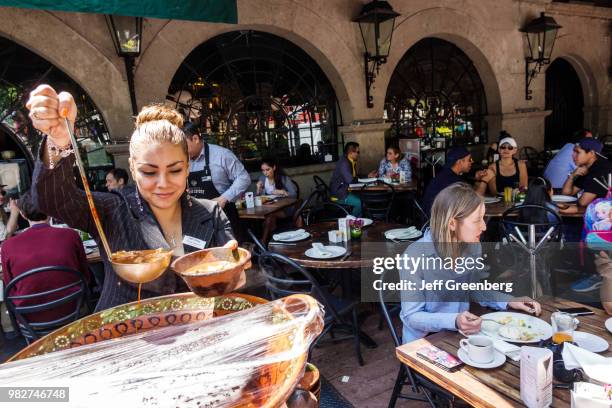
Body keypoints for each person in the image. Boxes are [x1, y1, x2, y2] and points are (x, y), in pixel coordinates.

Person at [26, 84, 237, 311]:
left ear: (187, 168)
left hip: (196, 330)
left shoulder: (210, 213)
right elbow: (51, 198)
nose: (163, 183)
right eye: (149, 172)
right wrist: (58, 141)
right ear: (133, 168)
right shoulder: (113, 209)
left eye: (175, 170)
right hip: (125, 334)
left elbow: (230, 286)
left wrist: (233, 274)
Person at [400, 183, 542, 343]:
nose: (484, 226)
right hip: (424, 340)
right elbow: (412, 316)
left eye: (483, 218)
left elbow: (471, 288)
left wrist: (509, 300)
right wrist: (454, 320)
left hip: (460, 334)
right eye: (477, 220)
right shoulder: (415, 255)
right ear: (452, 223)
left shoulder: (473, 248)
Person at [1, 192, 91, 323]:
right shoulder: (71, 235)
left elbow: (11, 287)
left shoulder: (8, 246)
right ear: (50, 210)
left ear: (22, 214)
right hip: (74, 310)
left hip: (32, 320)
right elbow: (85, 276)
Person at [183, 121, 251, 235]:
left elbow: (244, 178)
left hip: (223, 218)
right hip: (197, 221)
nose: (182, 150)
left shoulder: (222, 155)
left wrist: (223, 198)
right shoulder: (183, 160)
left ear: (195, 139)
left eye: (184, 146)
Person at [421, 146, 493, 216]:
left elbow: (471, 193)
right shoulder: (453, 180)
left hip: (435, 218)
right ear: (459, 162)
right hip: (437, 223)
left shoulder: (447, 173)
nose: (472, 161)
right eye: (469, 159)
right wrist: (485, 181)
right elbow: (475, 200)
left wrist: (479, 179)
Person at [560, 137, 612, 214]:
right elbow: (566, 194)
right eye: (573, 151)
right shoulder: (587, 167)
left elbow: (583, 203)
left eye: (577, 152)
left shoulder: (600, 169)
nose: (573, 155)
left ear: (591, 153)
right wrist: (572, 176)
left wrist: (573, 208)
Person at [256, 158, 299, 242]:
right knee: (266, 218)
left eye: (268, 170)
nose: (265, 173)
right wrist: (258, 189)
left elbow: (294, 194)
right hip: (270, 207)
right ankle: (272, 239)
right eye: (263, 170)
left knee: (269, 216)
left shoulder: (283, 178)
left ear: (274, 168)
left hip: (285, 208)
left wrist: (282, 192)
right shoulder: (262, 178)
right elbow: (258, 198)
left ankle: (264, 241)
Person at [329, 142, 362, 217]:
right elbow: (350, 180)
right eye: (357, 152)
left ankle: (359, 219)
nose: (358, 154)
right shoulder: (344, 163)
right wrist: (362, 180)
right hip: (339, 194)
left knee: (363, 197)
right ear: (351, 152)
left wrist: (367, 176)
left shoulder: (350, 161)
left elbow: (354, 177)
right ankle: (352, 223)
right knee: (359, 202)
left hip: (345, 190)